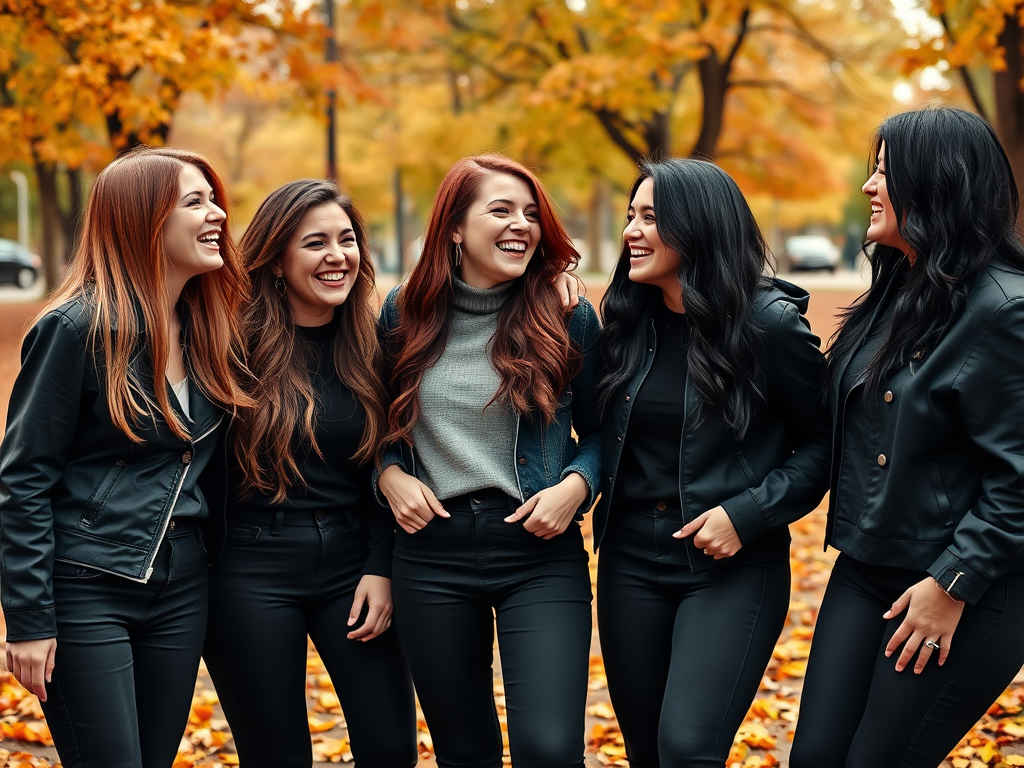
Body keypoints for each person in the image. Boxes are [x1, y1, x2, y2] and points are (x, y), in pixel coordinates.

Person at [789, 107, 1024, 767]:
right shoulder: (897, 293)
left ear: (937, 183)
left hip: (970, 584)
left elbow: (1020, 479)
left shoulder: (1006, 310)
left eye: (886, 172)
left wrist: (953, 583)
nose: (868, 186)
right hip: (868, 567)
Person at [0, 147, 249, 768]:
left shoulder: (208, 328)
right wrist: (29, 619)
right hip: (89, 583)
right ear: (145, 220)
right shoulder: (77, 328)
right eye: (195, 202)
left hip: (183, 584)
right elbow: (23, 477)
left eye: (214, 198)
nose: (217, 213)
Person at [592, 157, 831, 767]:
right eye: (630, 217)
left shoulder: (769, 326)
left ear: (698, 225)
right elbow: (592, 431)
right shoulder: (624, 322)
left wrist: (746, 514)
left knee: (688, 748)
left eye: (650, 217)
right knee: (648, 751)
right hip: (628, 561)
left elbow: (825, 447)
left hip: (730, 565)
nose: (631, 232)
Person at [375, 153, 600, 768]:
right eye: (500, 210)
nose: (521, 225)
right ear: (454, 226)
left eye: (531, 214)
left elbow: (610, 430)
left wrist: (577, 485)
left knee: (549, 750)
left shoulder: (567, 314)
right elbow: (379, 425)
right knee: (464, 749)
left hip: (537, 549)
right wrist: (388, 473)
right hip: (430, 554)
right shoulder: (402, 313)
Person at [202, 179, 417, 768]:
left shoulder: (374, 342)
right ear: (275, 259)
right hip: (249, 568)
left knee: (392, 746)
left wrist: (382, 566)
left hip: (353, 561)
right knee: (277, 755)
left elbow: (390, 459)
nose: (336, 256)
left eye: (346, 240)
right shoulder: (227, 346)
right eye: (315, 243)